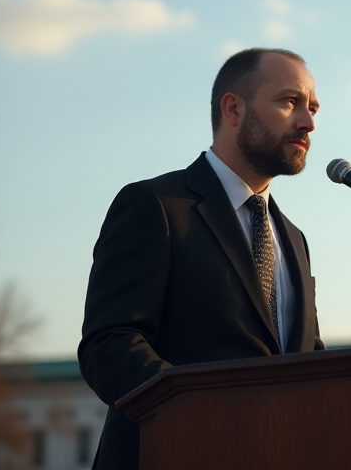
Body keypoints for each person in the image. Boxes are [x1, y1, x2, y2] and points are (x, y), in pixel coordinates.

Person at [78, 48, 326, 470]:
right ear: (233, 108)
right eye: (289, 102)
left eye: (313, 108)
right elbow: (110, 344)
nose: (308, 122)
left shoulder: (294, 241)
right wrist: (209, 416)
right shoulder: (155, 205)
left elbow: (306, 361)